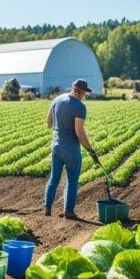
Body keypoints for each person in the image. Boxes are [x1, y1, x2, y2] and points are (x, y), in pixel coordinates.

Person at [44, 79, 99, 220]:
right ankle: (68, 211)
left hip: (56, 147)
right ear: (78, 91)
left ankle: (47, 209)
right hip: (71, 150)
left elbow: (49, 123)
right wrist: (90, 150)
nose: (84, 95)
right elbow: (79, 131)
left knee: (53, 179)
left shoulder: (56, 100)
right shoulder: (80, 107)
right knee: (72, 181)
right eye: (84, 93)